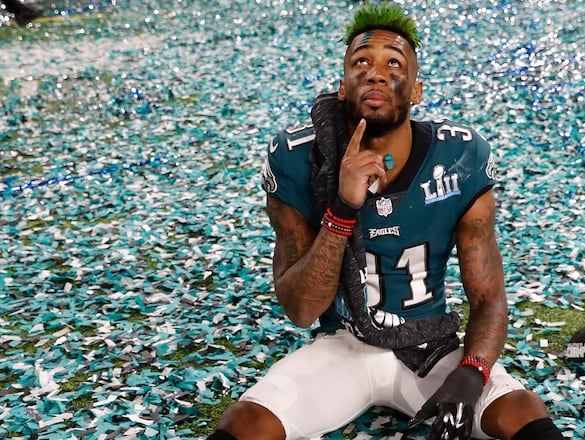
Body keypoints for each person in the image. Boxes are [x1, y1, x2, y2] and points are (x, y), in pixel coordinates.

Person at [210, 3, 565, 440]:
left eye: (393, 63)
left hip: (429, 349)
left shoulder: (459, 157)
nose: (376, 74)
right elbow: (301, 310)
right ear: (343, 87)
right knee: (246, 423)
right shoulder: (298, 158)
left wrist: (471, 373)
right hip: (344, 346)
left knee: (520, 411)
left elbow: (489, 297)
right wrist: (342, 208)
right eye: (362, 62)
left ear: (416, 91)